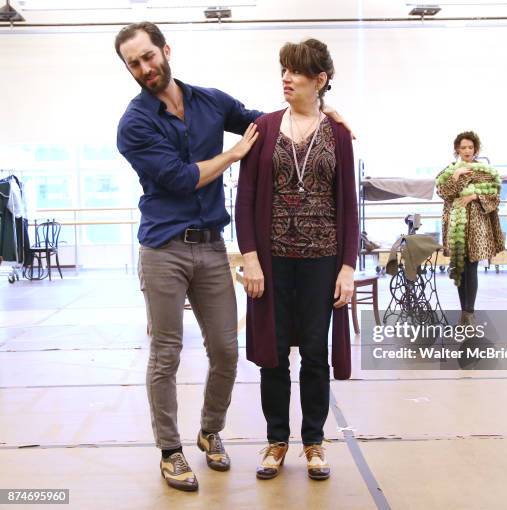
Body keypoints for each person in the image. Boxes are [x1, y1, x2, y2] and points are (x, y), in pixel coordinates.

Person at [115, 22, 353, 492]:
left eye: (148, 56)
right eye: (133, 63)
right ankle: (170, 450)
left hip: (210, 247)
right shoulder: (135, 124)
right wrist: (234, 155)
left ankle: (210, 431)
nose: (144, 68)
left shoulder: (208, 100)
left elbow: (265, 121)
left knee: (226, 350)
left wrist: (324, 113)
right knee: (167, 352)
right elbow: (183, 177)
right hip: (163, 248)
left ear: (165, 50)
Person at [235, 38, 358, 481]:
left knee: (313, 355)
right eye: (283, 70)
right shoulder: (265, 128)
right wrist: (250, 258)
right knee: (272, 355)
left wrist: (347, 266)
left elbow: (349, 204)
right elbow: (245, 197)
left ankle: (314, 442)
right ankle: (275, 440)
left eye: (296, 72)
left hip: (322, 262)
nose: (286, 78)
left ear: (320, 80)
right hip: (272, 262)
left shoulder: (339, 134)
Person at [435, 131, 504, 325]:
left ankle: (469, 313)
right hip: (456, 224)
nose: (467, 150)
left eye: (470, 147)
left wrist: (474, 196)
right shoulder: (449, 171)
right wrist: (456, 176)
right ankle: (464, 312)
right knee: (460, 266)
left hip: (476, 226)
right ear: (457, 149)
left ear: (476, 149)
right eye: (463, 147)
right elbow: (443, 192)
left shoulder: (485, 171)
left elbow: (495, 197)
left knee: (471, 266)